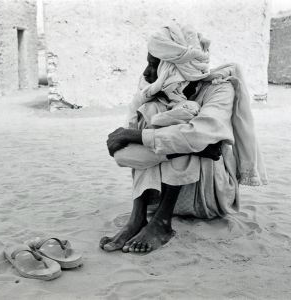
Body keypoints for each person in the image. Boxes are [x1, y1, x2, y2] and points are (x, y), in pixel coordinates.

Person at [100, 23, 267, 254]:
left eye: (153, 65)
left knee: (181, 124)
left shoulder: (220, 89)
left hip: (207, 195)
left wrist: (137, 136)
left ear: (174, 68)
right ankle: (137, 218)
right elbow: (122, 153)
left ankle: (162, 223)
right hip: (155, 197)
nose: (147, 73)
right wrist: (194, 148)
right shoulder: (156, 92)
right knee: (160, 119)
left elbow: (199, 133)